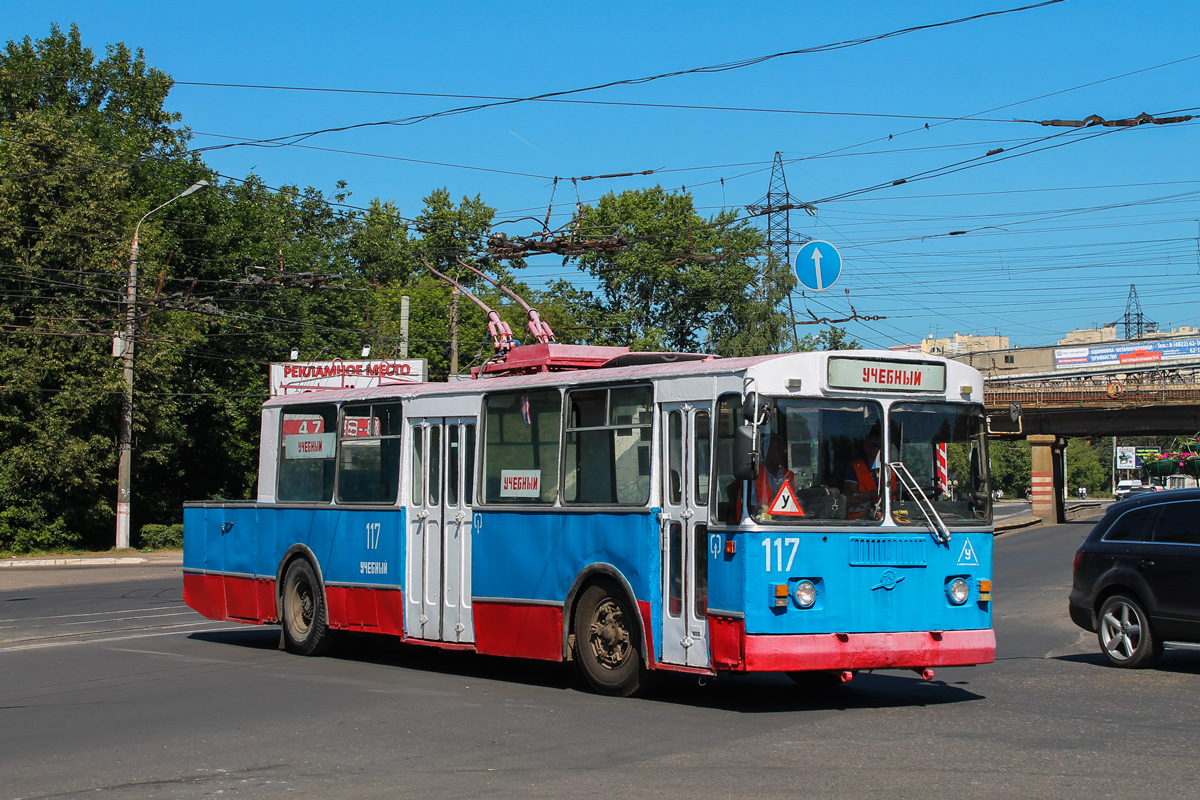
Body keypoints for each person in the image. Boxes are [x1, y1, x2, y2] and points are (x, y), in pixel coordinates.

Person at [843, 424, 888, 520]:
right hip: (859, 522)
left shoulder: (893, 469)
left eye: (883, 446)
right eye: (876, 446)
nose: (881, 449)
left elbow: (902, 496)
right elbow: (847, 499)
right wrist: (873, 494)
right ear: (866, 448)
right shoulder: (855, 469)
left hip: (891, 517)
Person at [752, 433, 798, 513]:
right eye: (778, 450)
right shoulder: (754, 475)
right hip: (762, 521)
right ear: (766, 451)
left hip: (787, 521)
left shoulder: (789, 475)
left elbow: (793, 504)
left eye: (784, 450)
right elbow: (752, 508)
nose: (783, 453)